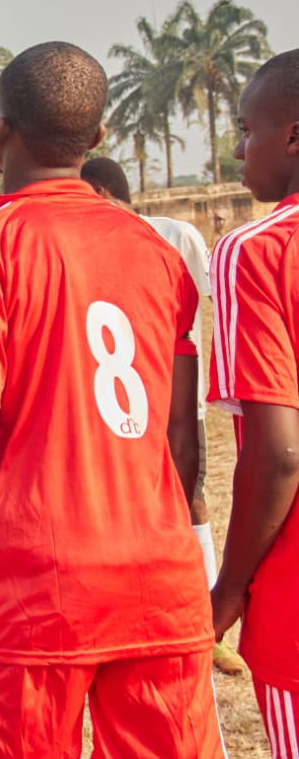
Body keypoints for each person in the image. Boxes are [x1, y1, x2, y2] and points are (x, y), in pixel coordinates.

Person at [0, 42, 221, 756]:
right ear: (98, 138)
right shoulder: (158, 250)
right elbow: (181, 439)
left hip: (39, 591)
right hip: (160, 584)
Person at [82, 156, 246, 676]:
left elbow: (201, 313)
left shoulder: (175, 234)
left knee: (188, 498)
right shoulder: (90, 242)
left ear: (102, 190)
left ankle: (207, 619)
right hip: (117, 402)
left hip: (175, 397)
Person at [207, 48, 299, 756]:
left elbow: (279, 455)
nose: (237, 148)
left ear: (293, 135)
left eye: (246, 128)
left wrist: (231, 585)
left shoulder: (259, 250)